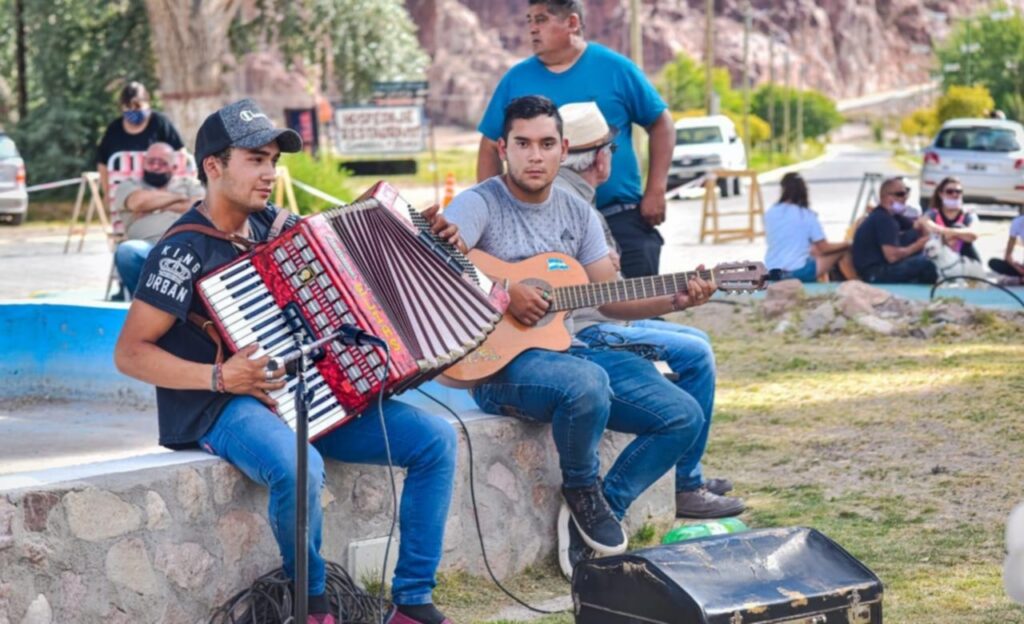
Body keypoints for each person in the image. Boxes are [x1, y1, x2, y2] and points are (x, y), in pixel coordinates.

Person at [114, 99, 459, 624]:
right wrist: (219, 376)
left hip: (308, 394)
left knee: (435, 441)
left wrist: (425, 237)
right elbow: (130, 353)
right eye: (255, 159)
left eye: (274, 160)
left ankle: (412, 603)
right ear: (214, 166)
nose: (270, 173)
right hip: (220, 404)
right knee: (300, 467)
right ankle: (312, 605)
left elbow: (355, 253)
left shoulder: (277, 225)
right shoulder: (181, 251)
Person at [445, 95, 717, 580]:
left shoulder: (577, 213)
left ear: (563, 148)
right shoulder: (479, 202)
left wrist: (678, 299)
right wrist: (505, 289)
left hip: (564, 352)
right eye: (523, 144)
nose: (534, 155)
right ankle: (583, 484)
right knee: (587, 381)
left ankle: (596, 508)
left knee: (682, 415)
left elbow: (609, 300)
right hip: (495, 364)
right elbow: (435, 264)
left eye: (546, 144)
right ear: (502, 147)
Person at [555, 101, 744, 524]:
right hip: (590, 332)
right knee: (695, 354)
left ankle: (686, 474)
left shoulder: (572, 196)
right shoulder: (577, 205)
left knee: (696, 341)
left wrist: (677, 298)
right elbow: (607, 301)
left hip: (598, 320)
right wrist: (679, 298)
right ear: (602, 158)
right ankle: (685, 484)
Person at [475, 0, 674, 279]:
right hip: (543, 226)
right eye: (529, 20)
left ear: (572, 23)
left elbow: (661, 123)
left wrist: (656, 189)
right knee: (563, 315)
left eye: (542, 19)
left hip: (621, 214)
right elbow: (489, 148)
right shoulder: (516, 79)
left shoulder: (615, 68)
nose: (532, 28)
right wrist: (494, 210)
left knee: (640, 308)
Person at [111, 142, 205, 296]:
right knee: (127, 251)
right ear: (143, 163)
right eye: (151, 162)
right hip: (148, 248)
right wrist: (180, 198)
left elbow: (200, 207)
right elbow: (138, 202)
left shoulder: (189, 184)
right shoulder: (129, 185)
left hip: (188, 248)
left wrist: (154, 206)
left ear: (173, 167)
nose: (155, 166)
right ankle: (143, 304)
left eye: (162, 163)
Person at [96, 81, 185, 201]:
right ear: (122, 107)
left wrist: (177, 183)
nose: (134, 111)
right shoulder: (114, 129)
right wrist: (107, 191)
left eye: (138, 107)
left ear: (147, 104)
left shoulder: (160, 123)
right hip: (126, 190)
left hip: (161, 187)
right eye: (129, 107)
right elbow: (103, 162)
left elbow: (180, 153)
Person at [764, 172, 850, 282]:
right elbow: (824, 247)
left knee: (812, 252)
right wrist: (847, 243)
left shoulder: (770, 213)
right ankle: (856, 283)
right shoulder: (806, 214)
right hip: (797, 272)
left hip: (772, 272)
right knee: (842, 251)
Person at [851, 177, 938, 284]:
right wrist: (918, 245)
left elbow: (917, 226)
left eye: (906, 193)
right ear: (886, 197)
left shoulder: (892, 216)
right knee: (927, 262)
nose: (905, 198)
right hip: (875, 273)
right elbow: (892, 257)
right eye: (900, 194)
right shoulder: (883, 219)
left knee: (916, 240)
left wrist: (925, 230)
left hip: (880, 268)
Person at [924, 177, 980, 261]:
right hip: (937, 258)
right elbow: (927, 224)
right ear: (941, 194)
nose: (954, 195)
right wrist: (959, 234)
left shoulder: (968, 213)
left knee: (959, 226)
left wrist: (946, 233)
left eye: (958, 191)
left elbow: (973, 234)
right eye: (949, 192)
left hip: (962, 258)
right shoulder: (932, 213)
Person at [989, 214, 1024, 286]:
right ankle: (1020, 279)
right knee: (994, 262)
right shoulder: (1017, 222)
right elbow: (1008, 256)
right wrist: (1017, 267)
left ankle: (1019, 280)